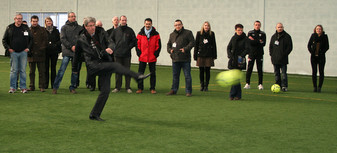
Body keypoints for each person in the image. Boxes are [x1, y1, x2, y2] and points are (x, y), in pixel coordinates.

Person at [74, 17, 150, 121]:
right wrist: (75, 70)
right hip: (93, 65)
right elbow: (78, 56)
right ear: (85, 26)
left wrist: (110, 48)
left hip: (104, 62)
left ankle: (94, 114)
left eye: (93, 25)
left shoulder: (101, 32)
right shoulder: (81, 39)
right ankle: (137, 77)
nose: (93, 28)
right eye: (90, 26)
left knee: (105, 91)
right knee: (115, 66)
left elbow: (111, 42)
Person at [52, 12, 83, 94]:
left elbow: (82, 39)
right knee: (62, 70)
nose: (73, 18)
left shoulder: (80, 28)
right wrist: (71, 46)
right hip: (67, 51)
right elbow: (62, 39)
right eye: (71, 16)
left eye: (74, 16)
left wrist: (77, 47)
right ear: (68, 18)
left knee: (75, 71)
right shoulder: (64, 27)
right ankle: (55, 87)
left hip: (76, 52)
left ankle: (72, 87)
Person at [2, 13, 33, 93]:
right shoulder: (10, 28)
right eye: (18, 18)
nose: (19, 20)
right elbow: (4, 40)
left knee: (22, 70)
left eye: (21, 18)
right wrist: (8, 48)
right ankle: (12, 87)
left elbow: (31, 39)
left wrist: (28, 48)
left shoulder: (25, 28)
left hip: (23, 52)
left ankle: (23, 88)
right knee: (14, 70)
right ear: (14, 19)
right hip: (13, 53)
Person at [166, 19, 195, 97]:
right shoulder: (172, 35)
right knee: (175, 76)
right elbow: (168, 44)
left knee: (187, 76)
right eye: (176, 25)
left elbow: (192, 42)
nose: (177, 26)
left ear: (182, 25)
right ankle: (174, 90)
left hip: (185, 59)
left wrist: (185, 49)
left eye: (179, 25)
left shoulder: (188, 33)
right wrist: (170, 50)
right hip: (175, 59)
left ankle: (188, 91)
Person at [110, 15, 137, 93]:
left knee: (127, 71)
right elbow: (111, 40)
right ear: (119, 21)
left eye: (125, 20)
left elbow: (134, 41)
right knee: (118, 71)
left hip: (127, 55)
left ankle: (128, 87)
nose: (124, 21)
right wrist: (114, 47)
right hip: (117, 54)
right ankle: (117, 87)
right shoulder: (115, 31)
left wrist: (128, 47)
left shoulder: (130, 30)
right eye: (122, 20)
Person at [135, 18, 161, 94]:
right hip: (142, 56)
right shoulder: (140, 33)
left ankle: (152, 88)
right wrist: (139, 53)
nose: (148, 25)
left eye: (149, 24)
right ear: (144, 24)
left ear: (151, 24)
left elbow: (158, 45)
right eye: (146, 24)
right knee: (140, 73)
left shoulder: (156, 34)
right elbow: (137, 44)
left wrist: (156, 54)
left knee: (152, 73)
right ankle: (140, 88)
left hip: (152, 57)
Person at [227, 24, 249, 100]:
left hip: (240, 61)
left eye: (241, 30)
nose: (240, 31)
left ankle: (232, 95)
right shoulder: (233, 38)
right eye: (238, 30)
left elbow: (247, 49)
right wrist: (230, 55)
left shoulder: (245, 39)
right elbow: (228, 47)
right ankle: (238, 95)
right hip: (233, 60)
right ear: (235, 30)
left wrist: (241, 55)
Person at [194, 21, 217, 92]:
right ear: (203, 26)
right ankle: (202, 85)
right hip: (200, 54)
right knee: (201, 71)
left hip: (209, 55)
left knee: (207, 71)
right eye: (205, 25)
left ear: (209, 27)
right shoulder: (199, 33)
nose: (206, 27)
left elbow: (214, 45)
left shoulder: (212, 34)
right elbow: (196, 45)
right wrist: (195, 55)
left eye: (208, 26)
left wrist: (214, 55)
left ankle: (206, 85)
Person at [269, 23, 293, 92]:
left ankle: (284, 86)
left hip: (283, 59)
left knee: (284, 73)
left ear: (283, 28)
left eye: (281, 27)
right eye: (278, 27)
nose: (280, 28)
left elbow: (290, 47)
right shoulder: (273, 37)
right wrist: (272, 55)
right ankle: (277, 85)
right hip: (275, 59)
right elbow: (271, 47)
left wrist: (284, 54)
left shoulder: (287, 36)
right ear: (276, 28)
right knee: (276, 73)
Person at [28, 15, 48, 92]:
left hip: (41, 54)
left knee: (42, 72)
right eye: (33, 21)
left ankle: (42, 86)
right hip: (31, 54)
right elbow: (26, 41)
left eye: (36, 21)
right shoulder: (28, 30)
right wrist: (29, 50)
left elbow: (45, 41)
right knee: (31, 72)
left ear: (38, 21)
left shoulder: (42, 30)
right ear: (31, 21)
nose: (35, 23)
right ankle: (31, 86)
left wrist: (41, 49)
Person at [244, 20, 266, 90]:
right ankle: (247, 83)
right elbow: (249, 42)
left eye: (258, 25)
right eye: (256, 25)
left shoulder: (263, 34)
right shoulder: (250, 33)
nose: (257, 26)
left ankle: (260, 84)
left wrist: (254, 40)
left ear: (260, 26)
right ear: (254, 25)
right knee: (249, 68)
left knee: (259, 69)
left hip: (259, 54)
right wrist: (258, 41)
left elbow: (263, 43)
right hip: (251, 53)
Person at [307, 25, 329, 92]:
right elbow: (309, 45)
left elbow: (327, 46)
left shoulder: (325, 37)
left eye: (320, 29)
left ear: (322, 30)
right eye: (317, 29)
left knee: (321, 71)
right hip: (313, 57)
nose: (318, 30)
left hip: (321, 57)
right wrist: (312, 52)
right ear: (315, 30)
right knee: (314, 72)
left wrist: (322, 52)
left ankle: (319, 87)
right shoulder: (313, 36)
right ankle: (315, 87)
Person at [44, 17, 61, 89]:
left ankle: (53, 84)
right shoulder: (43, 31)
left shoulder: (56, 31)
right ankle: (45, 84)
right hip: (46, 52)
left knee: (53, 68)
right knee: (46, 68)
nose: (49, 22)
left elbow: (60, 40)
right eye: (47, 21)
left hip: (54, 51)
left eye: (50, 21)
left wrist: (55, 45)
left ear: (52, 22)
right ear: (45, 22)